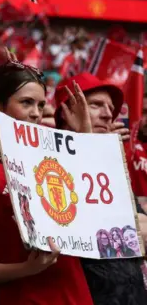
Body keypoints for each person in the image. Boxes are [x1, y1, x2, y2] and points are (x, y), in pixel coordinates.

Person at [0, 56, 95, 305]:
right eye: (27, 103)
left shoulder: (51, 164)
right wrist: (27, 269)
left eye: (41, 105)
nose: (36, 114)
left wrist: (85, 139)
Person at [55, 72, 147, 304]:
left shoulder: (112, 168)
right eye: (96, 105)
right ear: (66, 112)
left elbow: (142, 232)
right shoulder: (50, 169)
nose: (108, 114)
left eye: (110, 108)